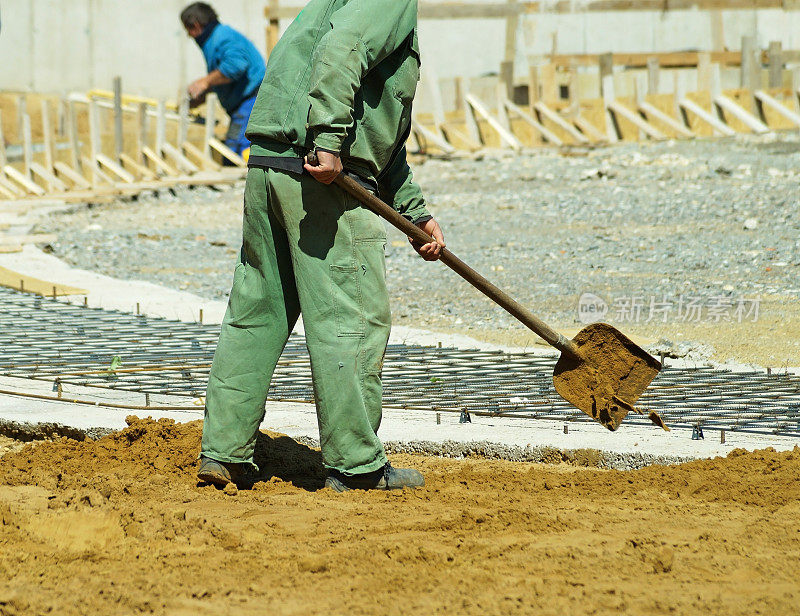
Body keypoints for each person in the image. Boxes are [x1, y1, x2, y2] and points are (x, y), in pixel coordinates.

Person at [197, 0, 445, 492]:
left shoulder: (331, 4)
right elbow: (343, 52)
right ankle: (356, 465)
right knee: (351, 319)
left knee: (257, 313)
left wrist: (416, 214)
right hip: (320, 177)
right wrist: (329, 141)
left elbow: (375, 131)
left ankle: (223, 452)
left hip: (270, 167)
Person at [181, 3, 265, 158]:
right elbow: (226, 77)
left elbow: (236, 66)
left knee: (235, 153)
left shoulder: (223, 37)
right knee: (233, 151)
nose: (189, 36)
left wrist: (205, 81)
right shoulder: (215, 38)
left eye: (188, 31)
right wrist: (205, 93)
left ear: (195, 25)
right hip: (244, 102)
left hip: (252, 100)